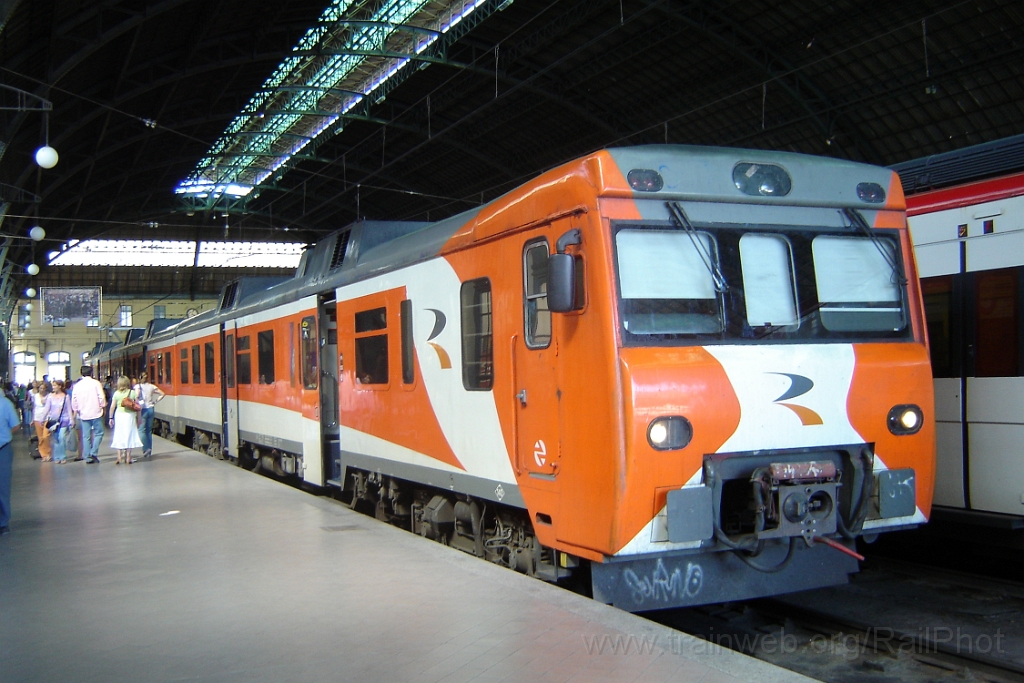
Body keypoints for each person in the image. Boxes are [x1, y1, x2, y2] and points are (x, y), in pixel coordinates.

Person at [70, 366, 107, 464]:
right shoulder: (96, 383)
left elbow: (74, 400)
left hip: (84, 414)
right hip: (96, 413)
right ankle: (93, 452)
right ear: (91, 373)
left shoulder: (77, 385)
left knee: (86, 436)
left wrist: (76, 409)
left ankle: (87, 456)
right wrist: (103, 406)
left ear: (81, 373)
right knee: (99, 433)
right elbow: (101, 397)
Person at [0, 391, 21, 535]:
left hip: (3, 448)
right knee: (3, 487)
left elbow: (16, 425)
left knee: (2, 487)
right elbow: (15, 425)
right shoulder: (6, 403)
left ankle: (2, 521)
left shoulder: (5, 403)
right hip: (3, 447)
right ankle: (2, 522)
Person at [108, 376, 142, 464]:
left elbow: (112, 407)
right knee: (129, 435)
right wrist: (139, 418)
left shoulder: (116, 393)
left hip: (119, 415)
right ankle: (128, 457)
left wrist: (110, 418)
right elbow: (137, 406)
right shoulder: (132, 393)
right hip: (129, 416)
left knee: (119, 434)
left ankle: (119, 457)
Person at [133, 372, 164, 458]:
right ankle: (149, 449)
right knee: (148, 431)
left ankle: (146, 448)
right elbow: (162, 394)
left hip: (142, 410)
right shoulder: (152, 386)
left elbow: (136, 397)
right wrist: (155, 402)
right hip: (151, 408)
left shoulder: (137, 387)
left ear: (140, 377)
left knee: (141, 430)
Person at [47, 380, 73, 464]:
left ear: (60, 386)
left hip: (64, 419)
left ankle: (63, 456)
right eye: (53, 386)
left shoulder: (66, 397)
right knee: (56, 439)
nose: (53, 387)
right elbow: (47, 408)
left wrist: (71, 420)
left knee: (62, 437)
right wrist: (42, 418)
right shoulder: (50, 396)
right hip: (53, 420)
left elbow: (69, 409)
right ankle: (57, 456)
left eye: (55, 386)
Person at [32, 381, 54, 462]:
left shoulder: (50, 396)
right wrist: (32, 419)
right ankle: (43, 454)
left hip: (47, 418)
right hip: (37, 418)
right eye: (40, 388)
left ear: (46, 389)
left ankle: (48, 453)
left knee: (46, 436)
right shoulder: (35, 396)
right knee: (40, 438)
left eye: (43, 388)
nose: (42, 390)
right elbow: (34, 407)